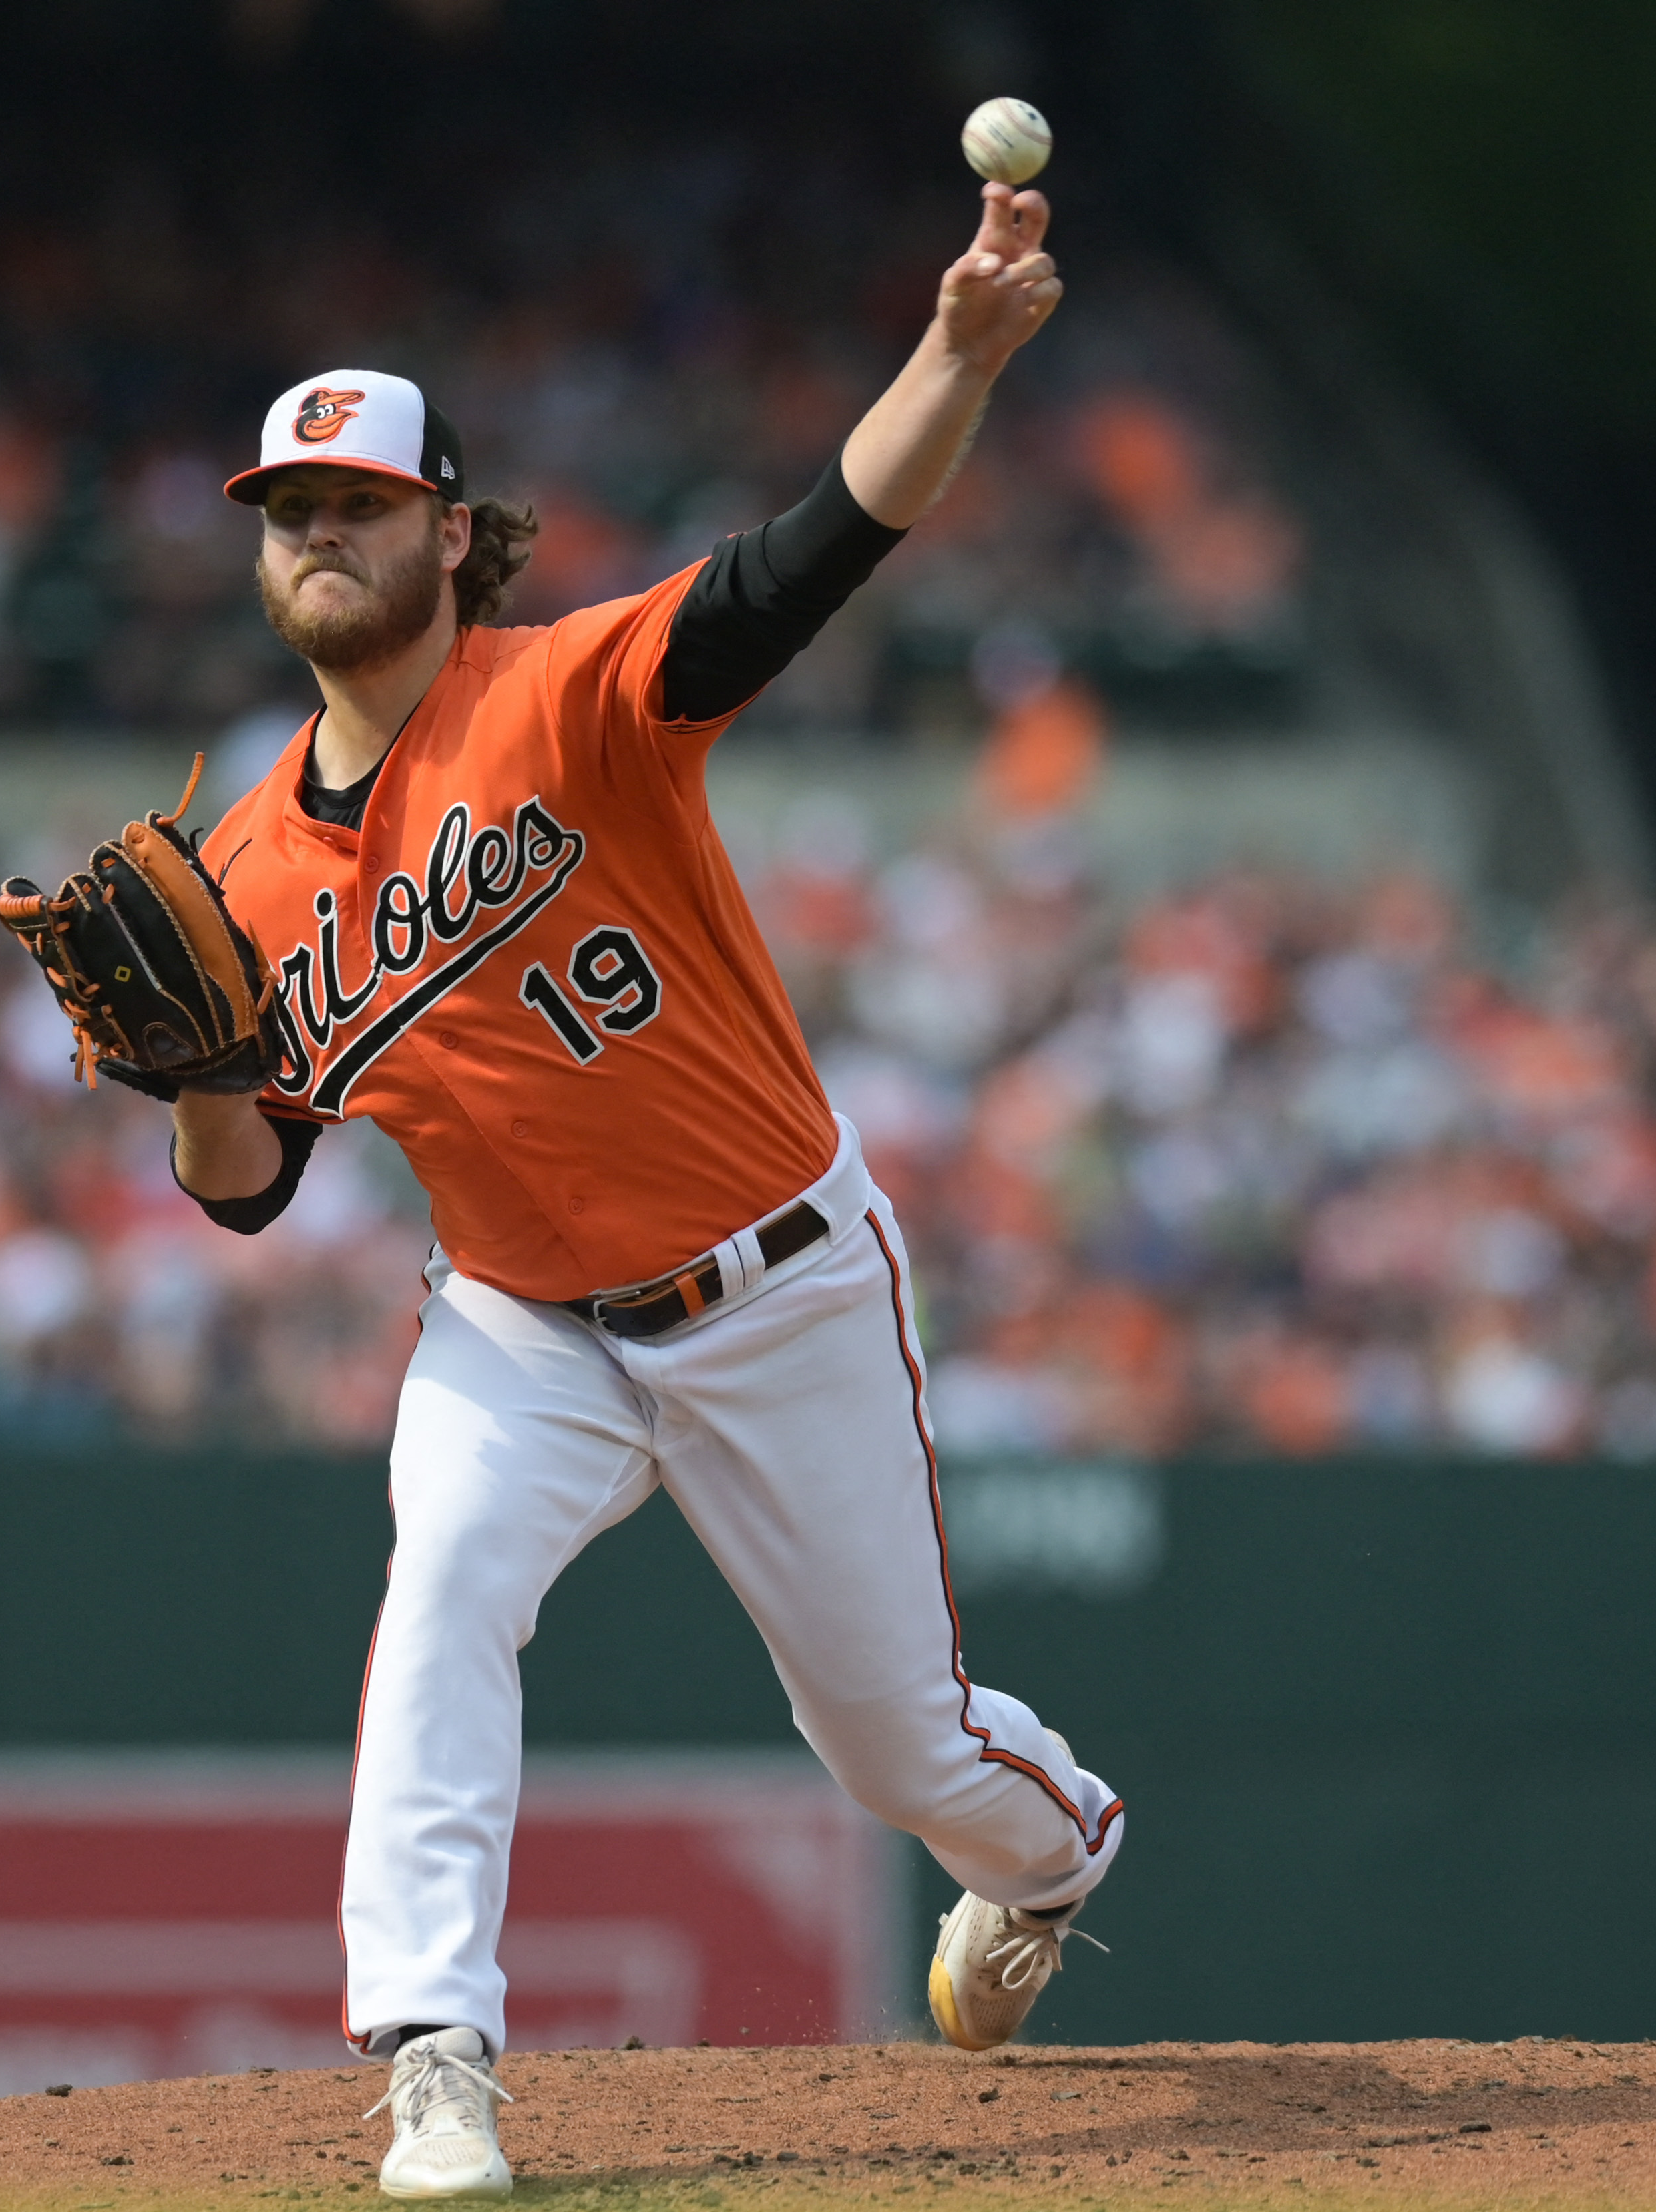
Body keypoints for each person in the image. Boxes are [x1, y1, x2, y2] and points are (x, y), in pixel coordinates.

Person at [170, 182, 1117, 2201]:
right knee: (439, 1591)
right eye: (286, 508)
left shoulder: (574, 689)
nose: (318, 534)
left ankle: (1056, 1854)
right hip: (520, 1326)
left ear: (450, 526)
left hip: (774, 1283)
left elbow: (813, 555)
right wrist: (188, 1076)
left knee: (896, 1751)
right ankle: (433, 2059)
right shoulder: (239, 868)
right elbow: (247, 1193)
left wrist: (954, 352)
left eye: (355, 500)